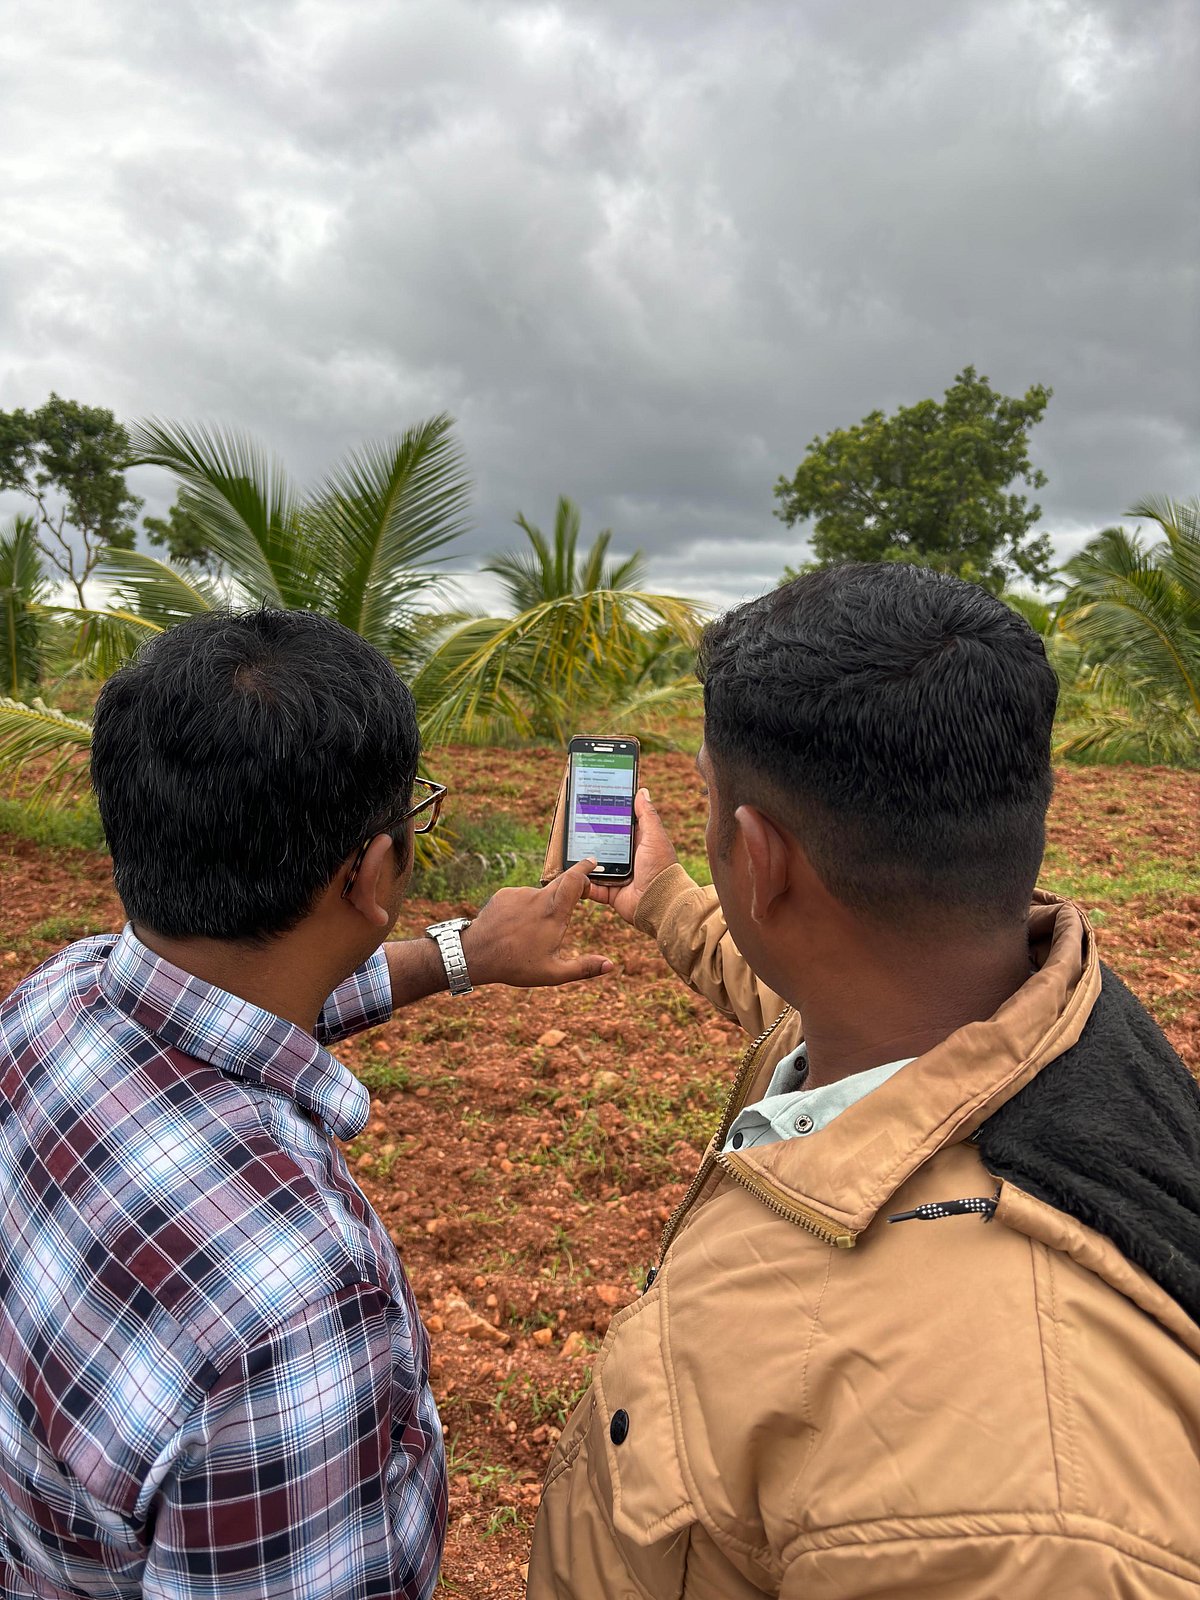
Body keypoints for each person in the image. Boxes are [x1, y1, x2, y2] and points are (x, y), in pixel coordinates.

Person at [527, 562, 1200, 1599]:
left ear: (760, 860)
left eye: (708, 798)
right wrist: (660, 893)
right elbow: (777, 982)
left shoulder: (1023, 1505)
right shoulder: (1006, 1021)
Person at [0, 608, 612, 1600]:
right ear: (370, 873)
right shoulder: (296, 1298)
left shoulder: (51, 1005)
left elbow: (249, 1000)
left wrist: (462, 955)